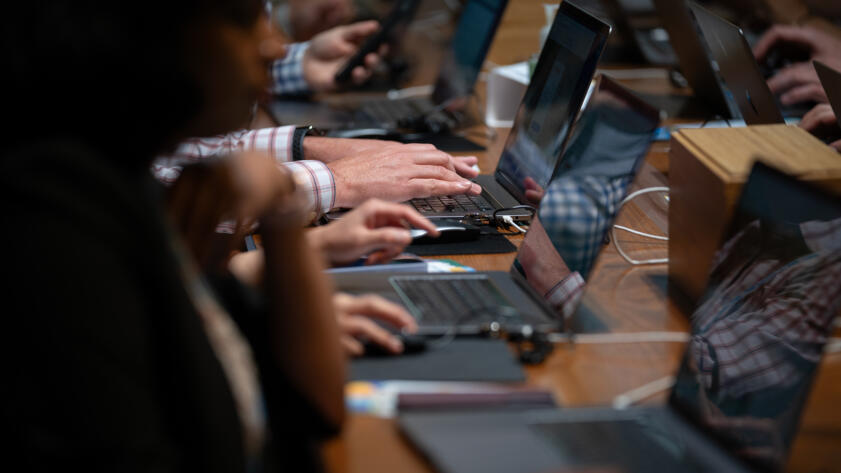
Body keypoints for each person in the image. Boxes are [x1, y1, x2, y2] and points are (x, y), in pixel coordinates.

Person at [1, 0, 352, 470]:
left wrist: (281, 200)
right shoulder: (53, 217)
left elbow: (315, 410)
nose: (275, 46)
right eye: (243, 21)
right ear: (143, 35)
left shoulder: (124, 175)